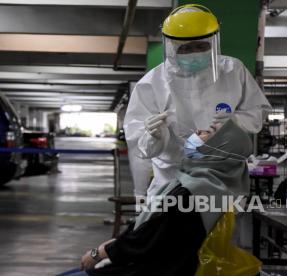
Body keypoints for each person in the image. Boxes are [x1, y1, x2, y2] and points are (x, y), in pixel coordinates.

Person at [58, 119, 253, 276]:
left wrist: (98, 253)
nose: (199, 131)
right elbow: (151, 231)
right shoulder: (208, 185)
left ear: (219, 148)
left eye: (209, 132)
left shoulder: (196, 190)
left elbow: (146, 241)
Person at [124, 4, 272, 196]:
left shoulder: (233, 71)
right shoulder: (152, 83)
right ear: (171, 47)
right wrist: (153, 137)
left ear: (213, 42)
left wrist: (232, 124)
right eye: (187, 48)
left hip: (224, 178)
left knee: (225, 224)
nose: (194, 53)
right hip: (171, 181)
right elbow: (141, 147)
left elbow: (256, 112)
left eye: (201, 46)